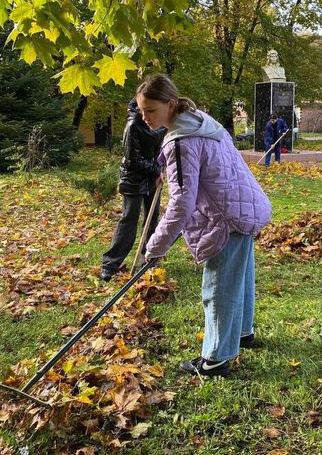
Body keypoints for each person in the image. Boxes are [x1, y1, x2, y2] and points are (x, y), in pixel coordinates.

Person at [138, 73, 272, 377]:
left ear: (170, 104)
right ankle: (242, 333)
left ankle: (215, 359)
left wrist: (155, 246)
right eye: (142, 110)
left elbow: (181, 204)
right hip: (243, 206)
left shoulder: (181, 141)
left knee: (218, 287)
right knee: (240, 276)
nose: (145, 117)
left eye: (151, 111)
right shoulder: (200, 121)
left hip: (225, 217)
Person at [100, 98, 166, 281]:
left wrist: (162, 166)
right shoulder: (133, 126)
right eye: (145, 111)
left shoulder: (159, 123)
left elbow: (163, 148)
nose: (148, 116)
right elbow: (132, 160)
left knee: (152, 219)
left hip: (153, 179)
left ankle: (149, 259)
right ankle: (110, 263)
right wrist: (156, 170)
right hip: (133, 179)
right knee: (129, 219)